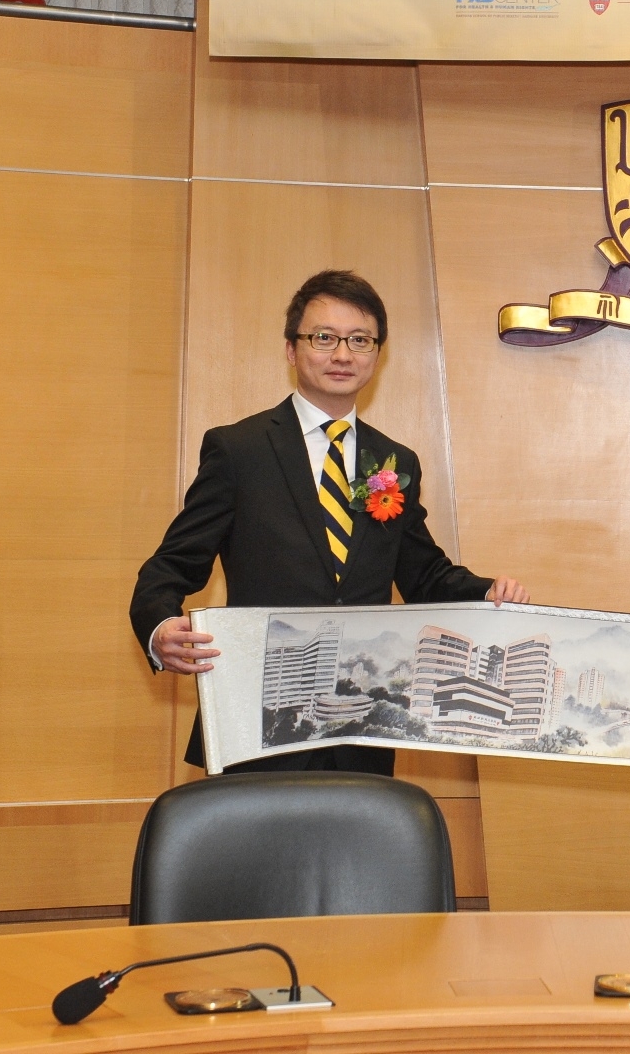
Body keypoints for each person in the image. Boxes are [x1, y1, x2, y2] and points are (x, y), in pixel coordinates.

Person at [130, 269, 527, 774]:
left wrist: (489, 594)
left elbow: (425, 576)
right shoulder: (239, 450)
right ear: (292, 350)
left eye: (360, 340)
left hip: (360, 727)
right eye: (324, 338)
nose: (343, 355)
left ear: (377, 355)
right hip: (257, 717)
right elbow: (170, 566)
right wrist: (161, 625)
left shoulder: (395, 462)